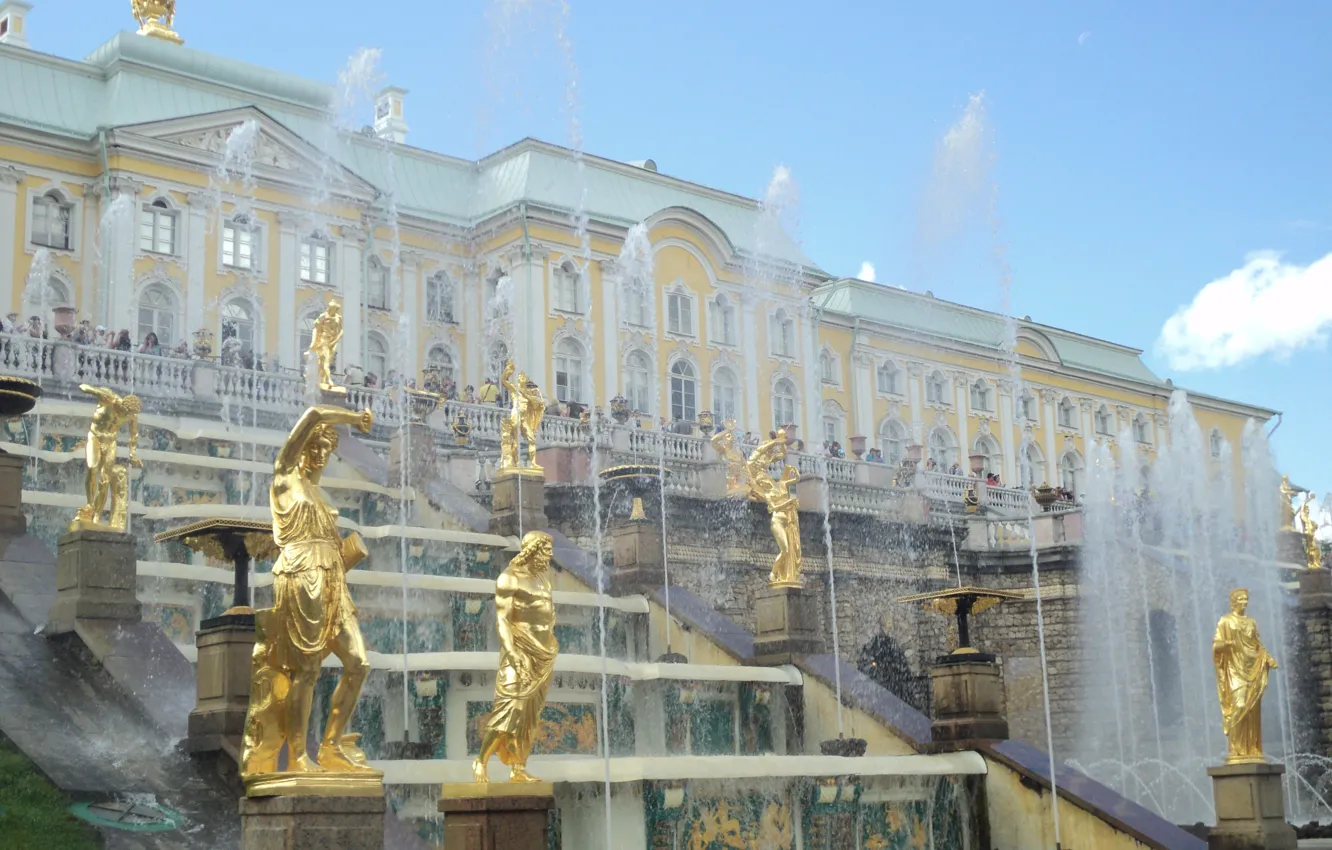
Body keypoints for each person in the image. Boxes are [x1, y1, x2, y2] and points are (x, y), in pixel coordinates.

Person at [252, 404, 376, 774]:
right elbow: (312, 413)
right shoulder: (284, 477)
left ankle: (331, 747)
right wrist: (353, 419)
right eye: (313, 446)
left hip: (334, 579)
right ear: (300, 448)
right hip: (300, 574)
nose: (319, 454)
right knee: (306, 670)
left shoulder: (320, 495)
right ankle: (297, 755)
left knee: (358, 662)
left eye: (326, 448)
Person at [473, 531, 558, 783]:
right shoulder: (509, 579)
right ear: (531, 550)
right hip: (518, 653)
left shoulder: (543, 580)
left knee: (530, 716)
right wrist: (513, 655)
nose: (550, 555)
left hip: (543, 656)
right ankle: (481, 761)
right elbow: (502, 622)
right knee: (510, 710)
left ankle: (518, 767)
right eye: (545, 550)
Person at [70, 385, 141, 529]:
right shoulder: (109, 399)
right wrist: (96, 392)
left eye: (127, 415)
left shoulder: (131, 416)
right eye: (123, 412)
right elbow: (83, 386)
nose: (124, 416)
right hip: (95, 437)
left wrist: (133, 453)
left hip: (110, 442)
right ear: (121, 405)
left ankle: (96, 515)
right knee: (92, 468)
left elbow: (134, 435)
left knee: (105, 480)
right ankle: (90, 505)